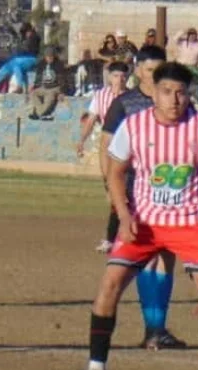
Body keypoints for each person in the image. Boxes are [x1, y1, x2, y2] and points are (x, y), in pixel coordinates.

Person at [67, 61, 198, 370]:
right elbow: (116, 172)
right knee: (108, 286)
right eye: (167, 92)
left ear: (189, 94)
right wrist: (124, 215)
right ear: (154, 93)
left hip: (192, 222)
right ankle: (96, 369)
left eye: (181, 92)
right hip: (146, 223)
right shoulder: (134, 126)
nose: (174, 99)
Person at [89, 45, 187, 351]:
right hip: (133, 192)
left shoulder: (177, 104)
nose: (154, 76)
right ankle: (153, 327)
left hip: (169, 192)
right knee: (145, 258)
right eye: (149, 70)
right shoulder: (125, 104)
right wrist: (110, 186)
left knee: (165, 259)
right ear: (138, 69)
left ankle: (157, 327)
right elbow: (107, 146)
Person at [77, 61, 129, 252]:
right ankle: (116, 236)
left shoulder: (131, 97)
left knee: (122, 192)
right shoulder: (100, 96)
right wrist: (82, 140)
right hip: (107, 147)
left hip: (128, 149)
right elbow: (91, 119)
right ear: (109, 77)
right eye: (116, 76)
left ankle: (113, 238)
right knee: (111, 191)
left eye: (123, 76)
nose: (120, 80)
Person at [0, 20, 40, 93]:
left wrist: (21, 47)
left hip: (31, 58)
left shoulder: (34, 37)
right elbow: (20, 48)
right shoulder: (24, 38)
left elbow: (29, 49)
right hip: (22, 58)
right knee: (8, 65)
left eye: (26, 32)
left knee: (16, 64)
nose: (25, 34)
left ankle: (19, 86)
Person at [29, 46, 66, 120]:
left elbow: (62, 79)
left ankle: (38, 114)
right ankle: (43, 114)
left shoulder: (59, 64)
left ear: (54, 56)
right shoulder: (42, 64)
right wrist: (35, 87)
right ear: (45, 57)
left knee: (49, 99)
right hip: (44, 87)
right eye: (47, 57)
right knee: (33, 93)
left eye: (51, 57)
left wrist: (62, 92)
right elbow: (38, 77)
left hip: (54, 88)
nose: (49, 59)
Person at [174, 28, 198, 100]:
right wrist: (184, 31)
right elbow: (175, 38)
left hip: (193, 67)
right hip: (180, 66)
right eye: (190, 34)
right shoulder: (182, 43)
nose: (192, 36)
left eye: (193, 34)